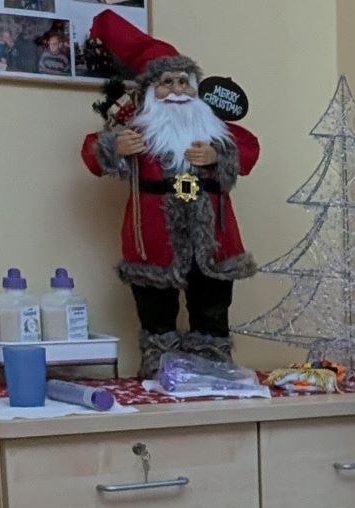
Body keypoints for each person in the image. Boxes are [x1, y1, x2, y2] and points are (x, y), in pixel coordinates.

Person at [81, 8, 259, 375]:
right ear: (149, 91)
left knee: (212, 305)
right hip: (153, 237)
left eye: (184, 81)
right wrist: (115, 147)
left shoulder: (213, 128)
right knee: (156, 309)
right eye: (167, 82)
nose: (177, 90)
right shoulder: (136, 130)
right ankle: (160, 367)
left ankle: (212, 368)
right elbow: (91, 154)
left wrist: (219, 154)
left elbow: (249, 149)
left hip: (212, 237)